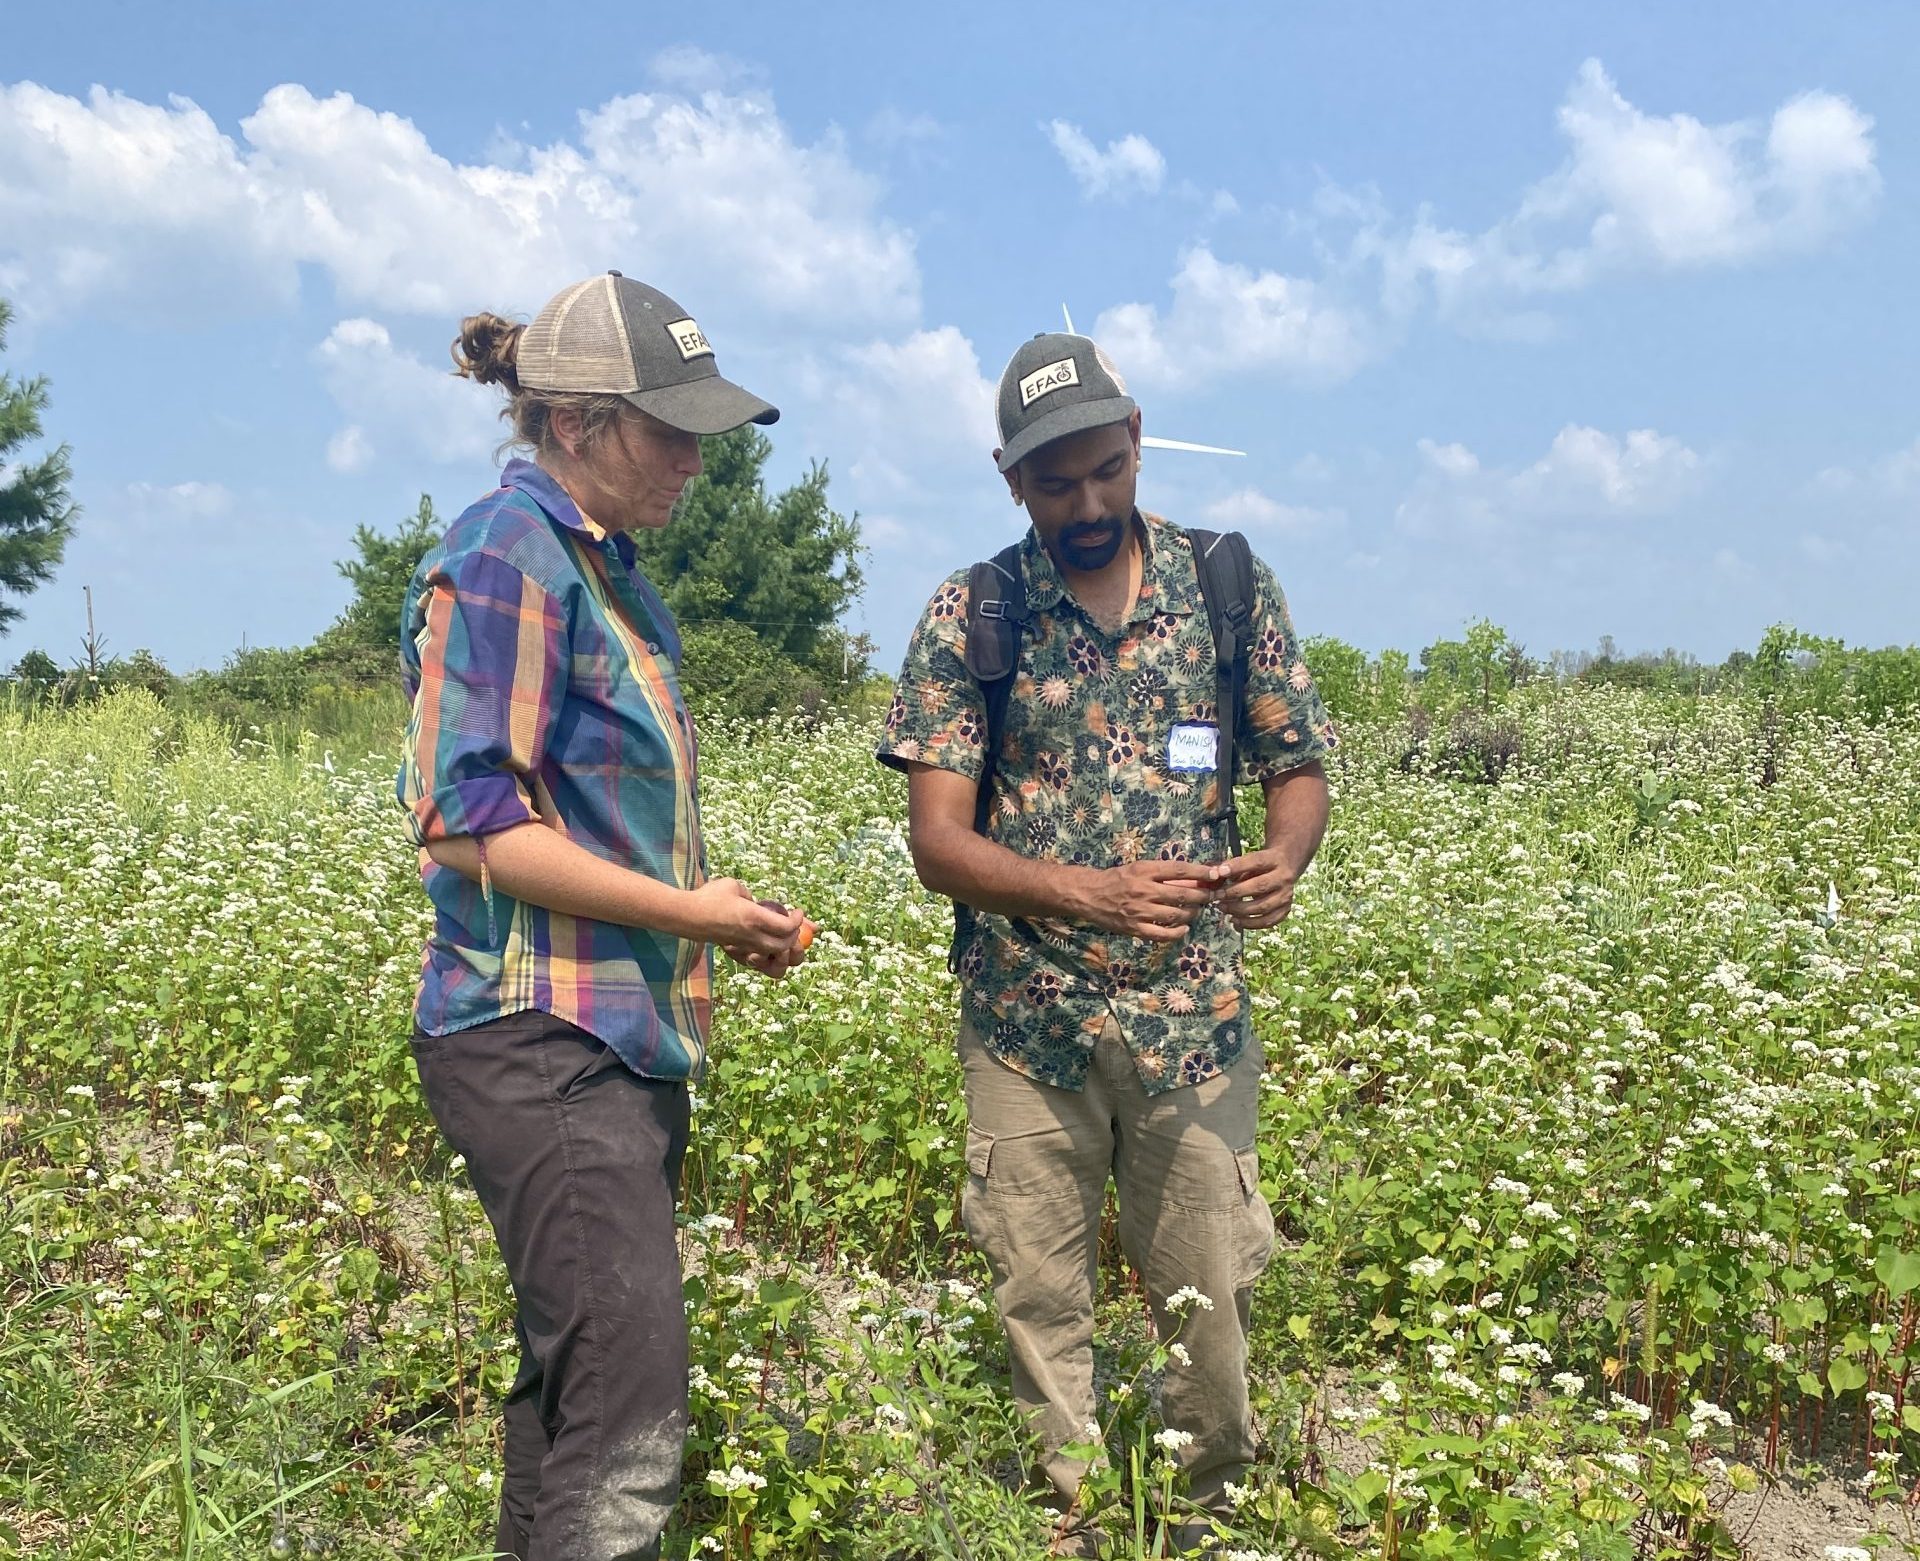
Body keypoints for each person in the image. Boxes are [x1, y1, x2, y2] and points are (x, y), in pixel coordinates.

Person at [876, 332, 1335, 1553]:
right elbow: (938, 842)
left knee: (1210, 1290)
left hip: (1194, 1024)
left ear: (1137, 441)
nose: (1086, 506)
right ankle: (1066, 1518)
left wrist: (1284, 858)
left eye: (1105, 473)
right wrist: (1091, 895)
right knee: (1041, 1289)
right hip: (1026, 1024)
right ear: (1008, 476)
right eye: (1055, 484)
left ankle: (1205, 1516)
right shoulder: (974, 612)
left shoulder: (1226, 586)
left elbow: (1297, 767)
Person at [397, 271, 809, 1561]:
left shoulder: (611, 576)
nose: (697, 459)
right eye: (669, 428)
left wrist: (705, 922)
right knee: (630, 1405)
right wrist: (691, 909)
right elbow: (469, 818)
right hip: (540, 1038)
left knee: (573, 1390)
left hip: (607, 1039)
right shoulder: (507, 553)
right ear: (578, 423)